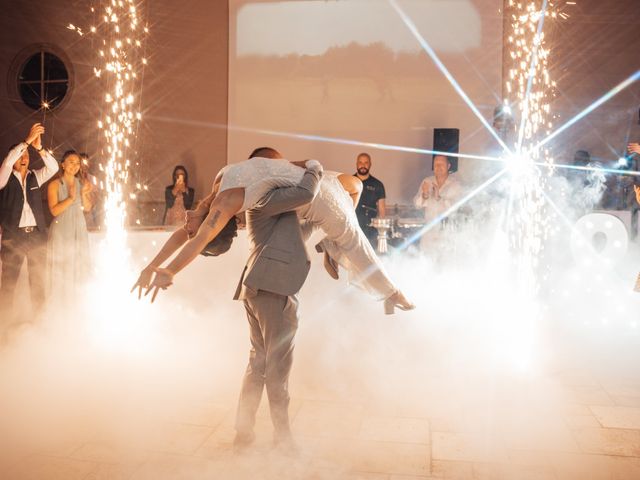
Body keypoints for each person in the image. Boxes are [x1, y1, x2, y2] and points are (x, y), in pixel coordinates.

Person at [137, 149, 414, 314]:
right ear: (213, 224)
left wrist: (152, 266)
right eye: (190, 227)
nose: (185, 225)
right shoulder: (224, 202)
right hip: (319, 199)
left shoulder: (216, 187)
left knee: (358, 185)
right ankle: (392, 292)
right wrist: (169, 270)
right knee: (353, 238)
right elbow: (197, 238)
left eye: (186, 227)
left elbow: (190, 235)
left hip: (313, 181)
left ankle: (331, 243)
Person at [0, 123, 59, 321]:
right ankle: (5, 326)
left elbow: (54, 167)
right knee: (9, 281)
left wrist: (39, 148)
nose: (25, 158)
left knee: (38, 281)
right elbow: (8, 163)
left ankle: (39, 323)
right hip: (13, 237)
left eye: (26, 155)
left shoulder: (35, 177)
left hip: (36, 235)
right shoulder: (5, 177)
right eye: (20, 155)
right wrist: (26, 141)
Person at [46, 150, 93, 303]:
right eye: (71, 162)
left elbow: (87, 208)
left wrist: (85, 194)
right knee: (62, 265)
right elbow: (54, 211)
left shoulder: (82, 183)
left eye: (77, 163)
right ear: (63, 164)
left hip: (78, 227)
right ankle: (59, 303)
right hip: (62, 228)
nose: (74, 165)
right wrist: (72, 198)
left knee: (78, 264)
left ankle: (76, 302)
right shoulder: (54, 184)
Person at [413, 154, 463, 252]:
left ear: (448, 166)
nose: (438, 167)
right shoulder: (427, 181)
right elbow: (416, 204)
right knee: (426, 263)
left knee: (444, 264)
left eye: (441, 164)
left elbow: (455, 208)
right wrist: (425, 196)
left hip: (446, 233)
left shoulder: (455, 185)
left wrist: (438, 198)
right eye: (436, 164)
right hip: (429, 233)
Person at [354, 152, 386, 246]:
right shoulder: (349, 181)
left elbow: (382, 210)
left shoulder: (378, 185)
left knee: (371, 257)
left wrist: (380, 230)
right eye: (360, 162)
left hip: (371, 230)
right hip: (353, 228)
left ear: (370, 165)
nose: (363, 165)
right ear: (356, 164)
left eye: (366, 163)